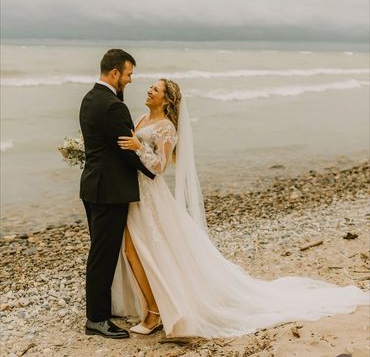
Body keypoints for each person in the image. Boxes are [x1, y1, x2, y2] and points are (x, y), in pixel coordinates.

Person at [111, 78, 368, 338]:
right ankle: (153, 306)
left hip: (151, 196)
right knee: (137, 250)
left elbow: (160, 167)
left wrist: (138, 147)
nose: (149, 90)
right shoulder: (142, 118)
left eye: (155, 89)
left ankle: (156, 313)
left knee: (143, 250)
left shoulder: (167, 128)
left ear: (166, 99)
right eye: (151, 87)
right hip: (134, 193)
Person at [79, 49, 155, 339]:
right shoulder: (113, 106)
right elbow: (125, 149)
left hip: (92, 185)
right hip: (110, 191)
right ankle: (96, 319)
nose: (131, 79)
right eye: (129, 74)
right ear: (115, 74)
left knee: (100, 251)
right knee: (103, 254)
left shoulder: (89, 98)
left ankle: (100, 310)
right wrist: (152, 172)